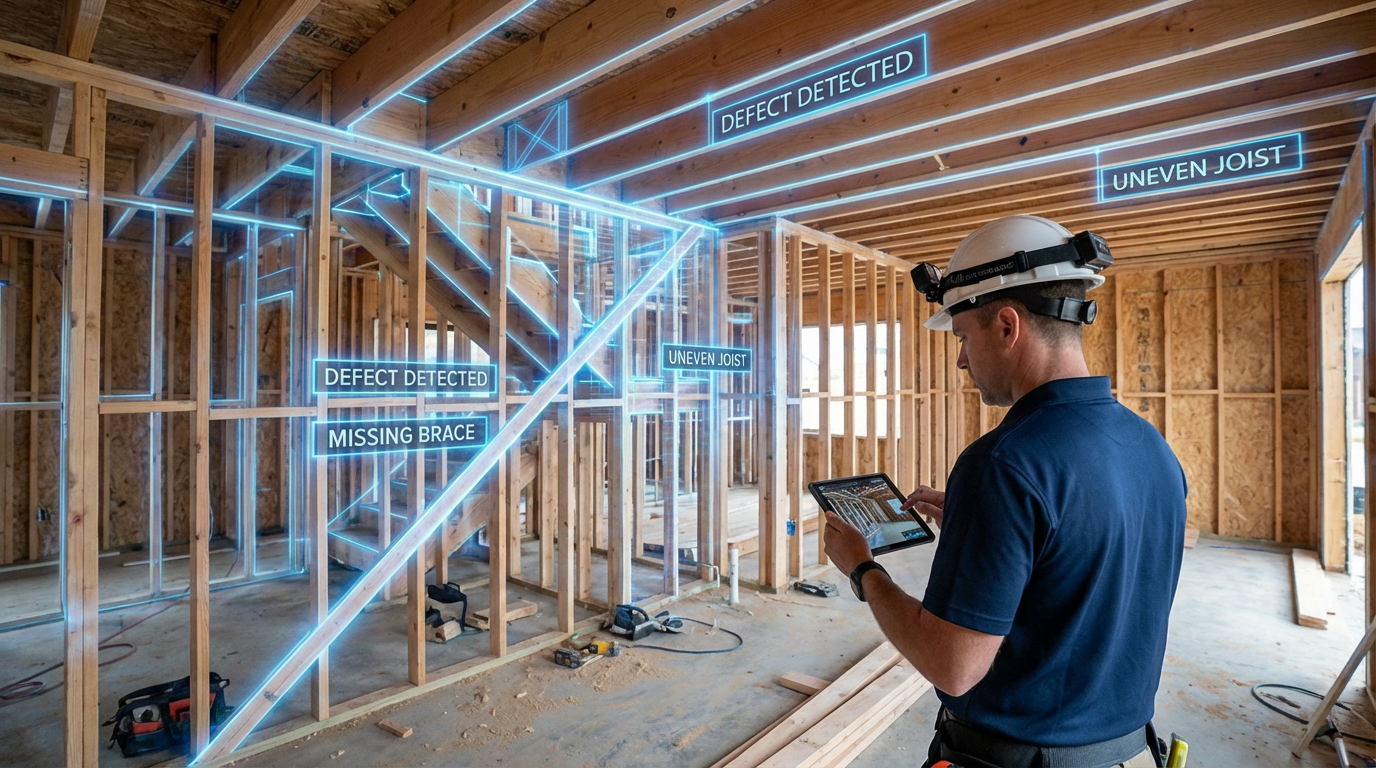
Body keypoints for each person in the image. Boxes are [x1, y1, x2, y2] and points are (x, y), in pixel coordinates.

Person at [822, 215, 1187, 768]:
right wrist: (989, 532)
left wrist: (862, 570)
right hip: (1131, 752)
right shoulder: (1152, 448)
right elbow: (1080, 570)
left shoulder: (1002, 462)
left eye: (964, 336)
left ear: (1008, 326)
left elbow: (953, 665)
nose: (963, 358)